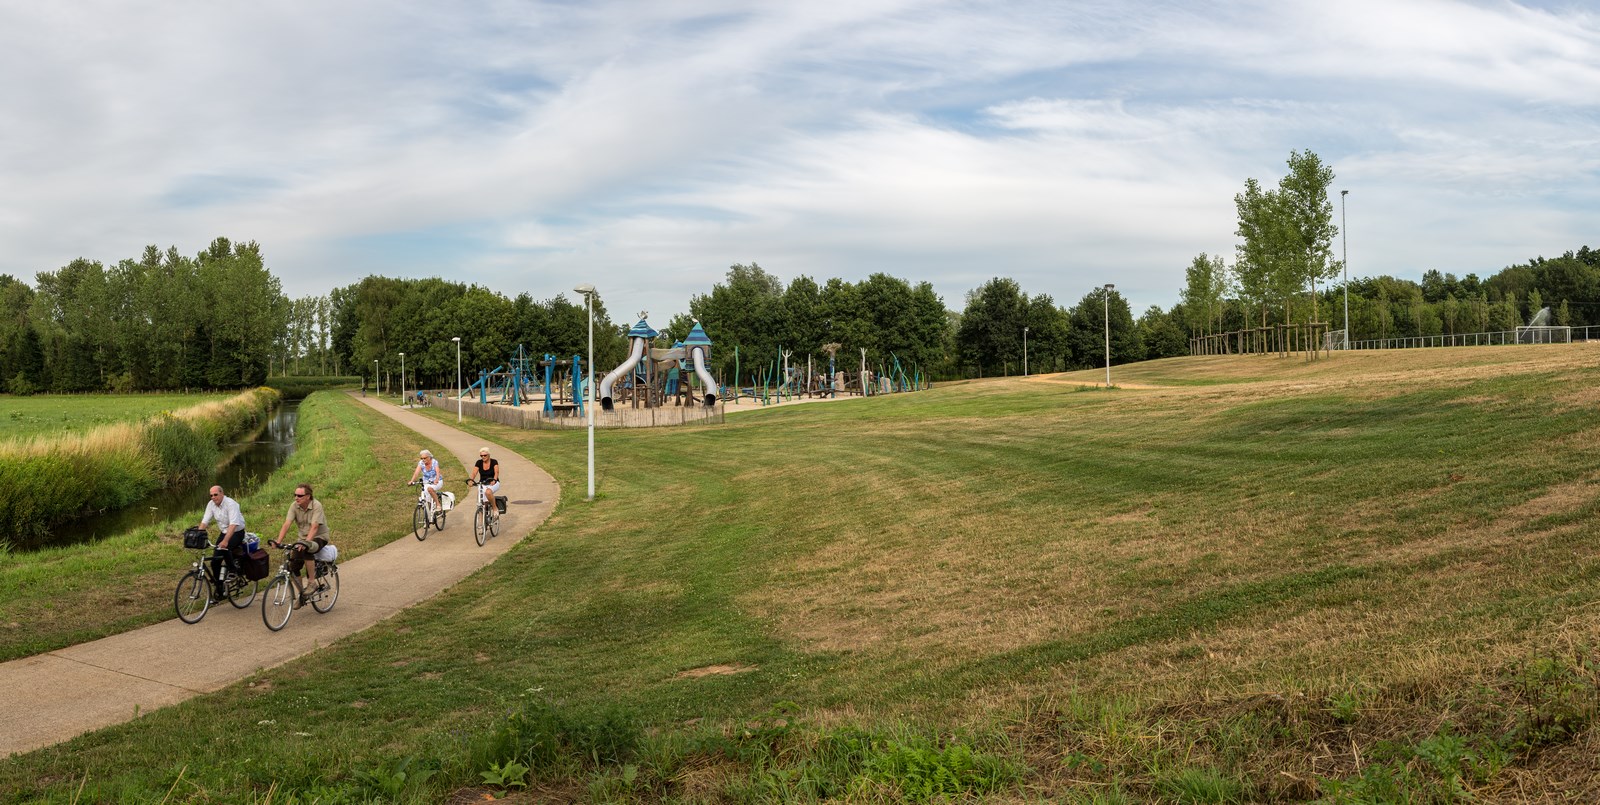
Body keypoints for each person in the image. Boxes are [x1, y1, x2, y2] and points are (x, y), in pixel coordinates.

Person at [270, 483, 329, 607]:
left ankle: (312, 582)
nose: (296, 497)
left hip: (319, 537)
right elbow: (287, 523)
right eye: (295, 495)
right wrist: (278, 541)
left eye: (300, 495)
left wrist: (306, 542)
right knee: (293, 566)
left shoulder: (317, 506)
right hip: (302, 539)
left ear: (308, 496)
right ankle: (302, 595)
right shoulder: (294, 506)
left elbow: (314, 527)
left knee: (307, 550)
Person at [196, 485, 246, 602]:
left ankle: (233, 571)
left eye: (215, 494)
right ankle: (219, 590)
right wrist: (197, 536)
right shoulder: (211, 504)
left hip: (237, 532)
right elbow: (205, 521)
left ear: (222, 493)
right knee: (215, 562)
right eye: (211, 495)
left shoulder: (231, 504)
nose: (213, 497)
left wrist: (225, 541)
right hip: (224, 532)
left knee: (225, 548)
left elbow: (233, 524)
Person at [470, 446, 501, 518]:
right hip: (482, 483)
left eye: (485, 455)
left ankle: (495, 508)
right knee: (481, 503)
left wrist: (494, 480)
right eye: (481, 455)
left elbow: (496, 472)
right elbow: (474, 473)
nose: (483, 457)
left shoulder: (494, 462)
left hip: (493, 483)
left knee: (488, 492)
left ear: (489, 455)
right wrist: (471, 480)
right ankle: (481, 524)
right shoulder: (479, 462)